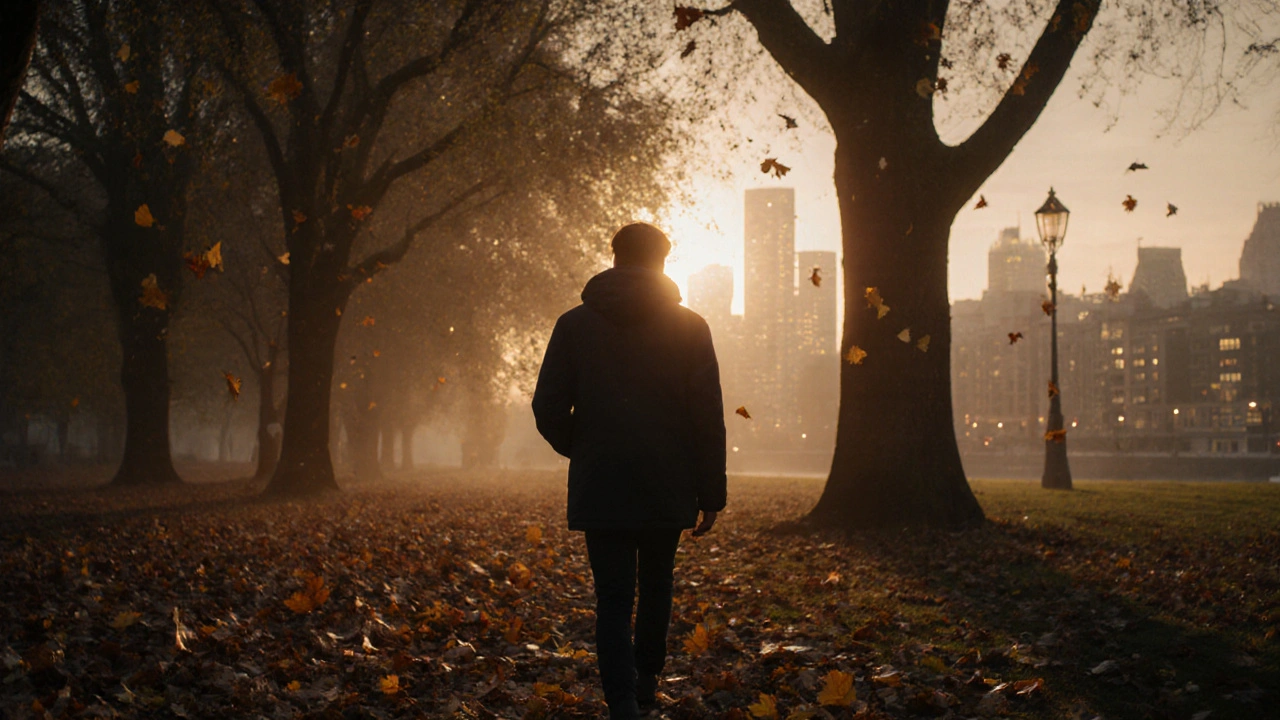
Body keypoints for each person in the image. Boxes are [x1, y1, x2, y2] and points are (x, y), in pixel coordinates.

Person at [532, 222, 727, 719]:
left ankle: (621, 703)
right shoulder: (691, 327)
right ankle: (645, 682)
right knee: (658, 584)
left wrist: (586, 448)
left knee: (613, 597)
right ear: (663, 261)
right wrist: (711, 494)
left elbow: (547, 406)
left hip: (603, 481)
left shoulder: (574, 325)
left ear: (615, 257)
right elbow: (707, 415)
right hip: (668, 480)